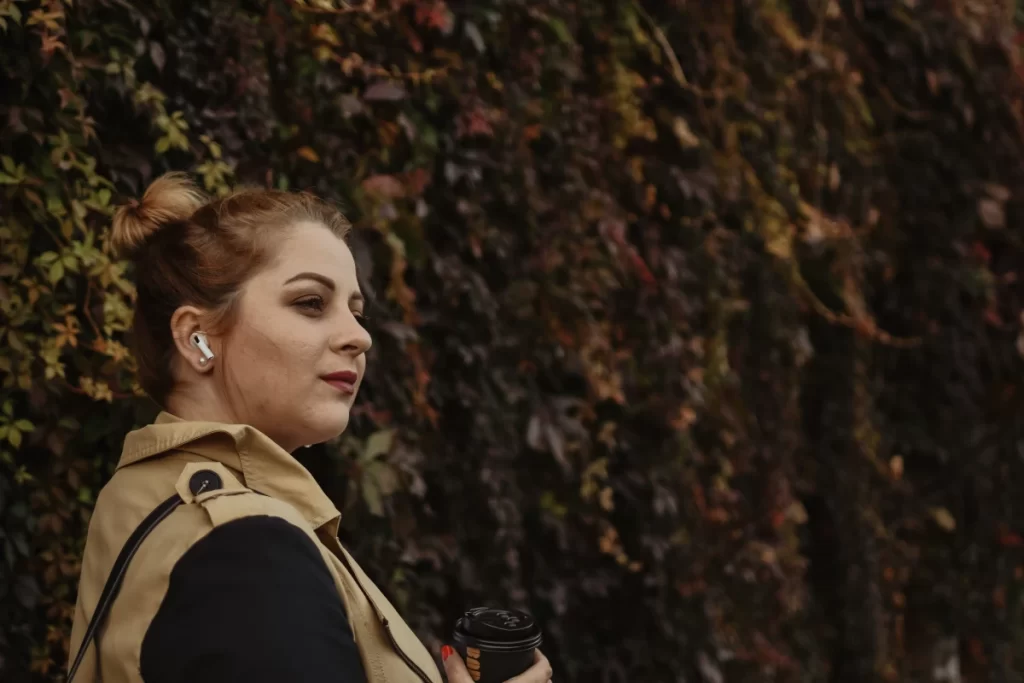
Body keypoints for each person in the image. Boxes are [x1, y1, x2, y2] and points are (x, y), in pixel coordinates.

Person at [67, 173, 553, 683]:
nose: (359, 337)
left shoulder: (139, 494)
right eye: (310, 303)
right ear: (196, 338)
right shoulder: (247, 551)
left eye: (356, 312)